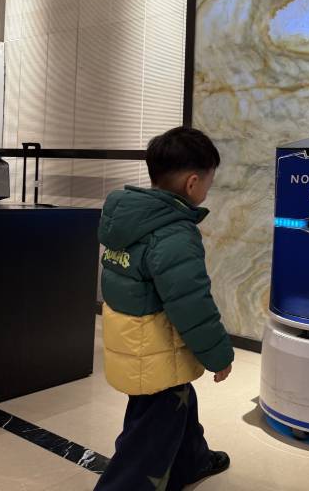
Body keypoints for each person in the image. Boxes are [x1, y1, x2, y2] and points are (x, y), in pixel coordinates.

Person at [94, 127, 234, 491]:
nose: (208, 189)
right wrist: (218, 354)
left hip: (135, 340)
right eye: (209, 181)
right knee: (150, 433)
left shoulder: (130, 217)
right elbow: (191, 304)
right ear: (192, 183)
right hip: (153, 347)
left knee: (178, 401)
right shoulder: (173, 233)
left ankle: (191, 461)